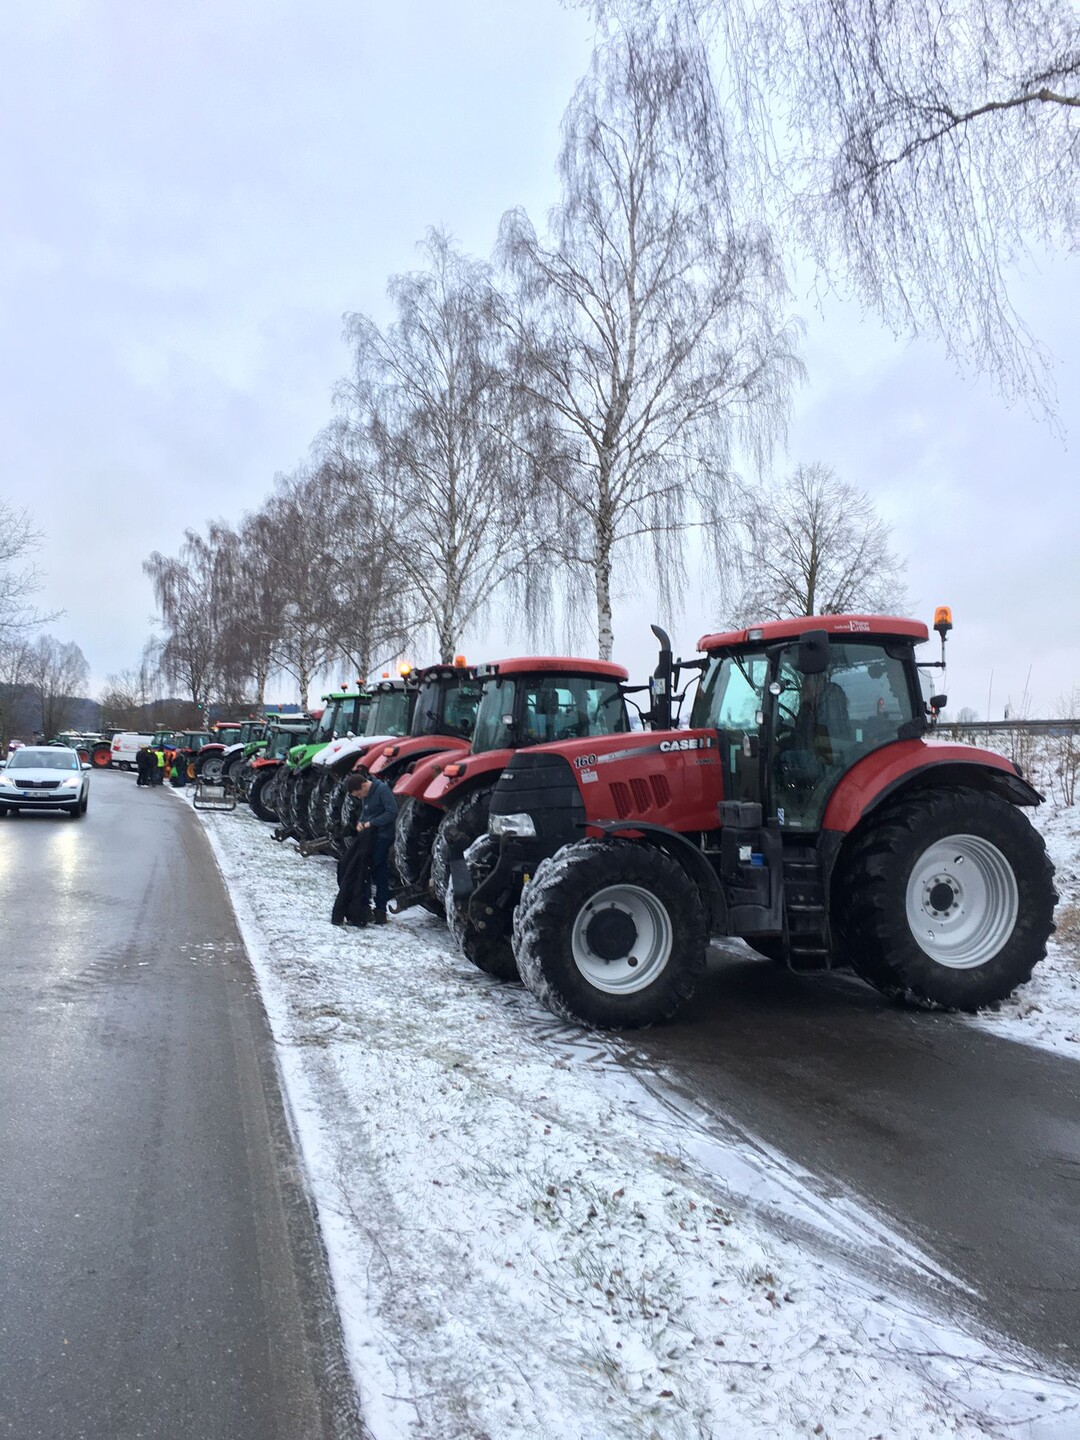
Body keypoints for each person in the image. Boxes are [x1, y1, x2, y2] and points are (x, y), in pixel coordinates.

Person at [331, 767, 397, 926]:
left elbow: (392, 812)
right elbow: (366, 812)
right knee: (374, 869)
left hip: (383, 836)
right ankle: (370, 909)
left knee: (371, 867)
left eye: (359, 795)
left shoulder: (382, 790)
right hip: (370, 836)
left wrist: (372, 823)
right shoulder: (366, 794)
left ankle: (376, 908)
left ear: (363, 786)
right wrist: (360, 822)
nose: (360, 798)